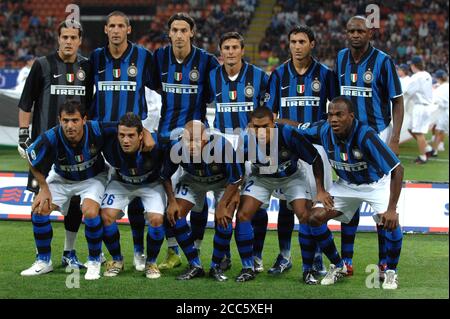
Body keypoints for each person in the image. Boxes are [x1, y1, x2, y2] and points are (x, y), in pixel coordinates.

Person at [300, 97, 404, 289]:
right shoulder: (323, 129)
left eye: (339, 115)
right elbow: (297, 127)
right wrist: (274, 122)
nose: (334, 119)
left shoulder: (366, 136)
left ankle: (391, 272)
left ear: (351, 116)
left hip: (375, 184)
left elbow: (397, 169)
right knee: (314, 217)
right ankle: (339, 266)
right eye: (330, 115)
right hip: (345, 185)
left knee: (391, 222)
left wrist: (391, 208)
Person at [17, 19, 93, 270]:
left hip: (76, 148)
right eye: (65, 37)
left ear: (80, 40)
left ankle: (68, 253)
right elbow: (26, 102)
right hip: (46, 147)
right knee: (40, 202)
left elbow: (90, 107)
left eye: (74, 37)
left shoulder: (87, 66)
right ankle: (42, 258)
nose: (69, 41)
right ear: (58, 38)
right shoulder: (42, 65)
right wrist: (22, 135)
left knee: (74, 204)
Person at [265, 25, 337, 282]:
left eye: (302, 41)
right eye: (293, 41)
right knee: (287, 206)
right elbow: (271, 115)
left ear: (312, 44)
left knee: (315, 205)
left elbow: (336, 110)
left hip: (317, 150)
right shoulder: (278, 75)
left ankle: (316, 259)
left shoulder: (326, 74)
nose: (297, 46)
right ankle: (285, 256)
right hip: (288, 149)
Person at [335, 16, 404, 276]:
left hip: (377, 134)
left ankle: (385, 262)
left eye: (360, 31)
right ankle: (347, 261)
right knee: (351, 188)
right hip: (348, 137)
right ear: (346, 33)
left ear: (370, 34)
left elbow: (397, 100)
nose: (355, 35)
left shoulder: (383, 61)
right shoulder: (341, 58)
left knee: (380, 203)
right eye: (351, 30)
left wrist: (395, 137)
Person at [152, 12, 220, 270]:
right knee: (165, 196)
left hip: (197, 139)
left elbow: (216, 94)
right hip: (165, 138)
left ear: (192, 32)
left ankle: (198, 249)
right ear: (169, 33)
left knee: (199, 194)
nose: (179, 34)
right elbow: (155, 86)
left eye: (184, 30)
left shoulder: (207, 61)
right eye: (175, 30)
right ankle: (172, 252)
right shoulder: (158, 58)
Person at [89, 11, 156, 272]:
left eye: (121, 26)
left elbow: (159, 90)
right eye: (112, 26)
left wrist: (148, 129)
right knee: (99, 199)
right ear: (105, 30)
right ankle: (104, 255)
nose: (116, 30)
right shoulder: (95, 58)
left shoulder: (142, 57)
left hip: (133, 138)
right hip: (103, 139)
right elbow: (86, 95)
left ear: (129, 29)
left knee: (137, 197)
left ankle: (139, 251)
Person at [233, 106, 331, 282]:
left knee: (305, 215)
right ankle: (248, 267)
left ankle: (307, 270)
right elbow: (237, 165)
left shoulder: (288, 134)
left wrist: (321, 190)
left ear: (273, 123)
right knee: (242, 215)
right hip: (261, 176)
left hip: (292, 176)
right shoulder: (245, 139)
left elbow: (314, 158)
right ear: (250, 126)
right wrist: (234, 192)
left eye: (265, 126)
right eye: (256, 127)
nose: (260, 131)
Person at [21, 100, 112, 280]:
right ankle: (43, 261)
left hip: (92, 178)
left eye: (75, 120)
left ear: (84, 120)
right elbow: (31, 159)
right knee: (39, 210)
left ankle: (94, 261)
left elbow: (124, 128)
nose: (70, 126)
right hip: (62, 178)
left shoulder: (97, 129)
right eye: (66, 120)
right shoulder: (51, 136)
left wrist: (146, 134)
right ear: (59, 120)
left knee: (90, 211)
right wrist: (44, 188)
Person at [209, 31, 269, 272]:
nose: (231, 51)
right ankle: (224, 256)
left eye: (235, 47)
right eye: (226, 47)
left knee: (256, 207)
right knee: (223, 205)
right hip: (223, 149)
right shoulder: (212, 77)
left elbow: (268, 112)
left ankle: (257, 255)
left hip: (253, 147)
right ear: (221, 52)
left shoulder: (259, 77)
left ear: (242, 51)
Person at [160, 120, 243, 281]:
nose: (190, 145)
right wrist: (171, 201)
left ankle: (216, 266)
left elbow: (236, 178)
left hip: (222, 182)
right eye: (187, 140)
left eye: (195, 140)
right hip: (193, 180)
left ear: (205, 139)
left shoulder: (222, 147)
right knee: (174, 217)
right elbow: (164, 176)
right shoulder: (176, 148)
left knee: (224, 219)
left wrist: (222, 205)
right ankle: (195, 265)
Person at [100, 113, 166, 279]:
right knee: (105, 216)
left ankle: (151, 263)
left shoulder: (157, 144)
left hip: (150, 184)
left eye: (131, 135)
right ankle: (117, 260)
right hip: (122, 182)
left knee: (157, 219)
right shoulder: (108, 140)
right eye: (121, 135)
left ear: (141, 135)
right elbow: (87, 126)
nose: (125, 140)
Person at [403, 55, 433, 164]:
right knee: (411, 129)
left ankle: (423, 157)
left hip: (420, 107)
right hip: (426, 106)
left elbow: (408, 91)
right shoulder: (427, 74)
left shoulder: (416, 77)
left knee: (418, 133)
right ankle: (428, 149)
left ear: (413, 65)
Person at [427, 69, 449, 157]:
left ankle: (436, 149)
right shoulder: (441, 86)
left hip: (444, 111)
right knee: (439, 130)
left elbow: (436, 99)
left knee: (439, 130)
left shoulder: (442, 87)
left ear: (438, 78)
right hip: (442, 112)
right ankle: (435, 150)